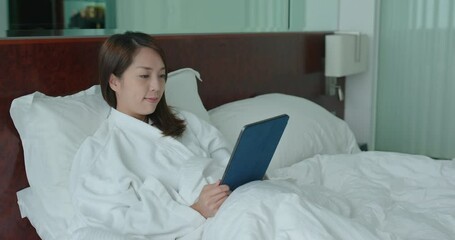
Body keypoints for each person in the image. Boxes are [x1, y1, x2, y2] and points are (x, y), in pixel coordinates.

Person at [69, 31, 232, 239]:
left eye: (161, 75)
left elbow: (225, 156)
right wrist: (195, 210)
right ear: (114, 82)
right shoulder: (102, 152)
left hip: (234, 202)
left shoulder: (183, 120)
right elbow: (118, 224)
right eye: (144, 76)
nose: (156, 86)